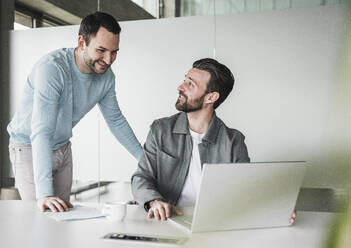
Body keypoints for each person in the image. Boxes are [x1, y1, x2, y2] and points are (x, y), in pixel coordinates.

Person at [7, 12, 143, 212]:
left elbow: (116, 121)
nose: (108, 59)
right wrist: (44, 194)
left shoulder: (106, 77)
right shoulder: (53, 69)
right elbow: (42, 131)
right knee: (39, 217)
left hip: (63, 148)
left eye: (114, 52)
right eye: (101, 50)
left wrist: (145, 160)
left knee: (63, 218)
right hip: (29, 147)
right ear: (82, 42)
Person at [131, 58, 251, 220]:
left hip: (214, 222)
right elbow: (142, 177)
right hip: (167, 221)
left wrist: (274, 212)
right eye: (184, 80)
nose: (180, 87)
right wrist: (154, 201)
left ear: (211, 97)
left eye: (190, 84)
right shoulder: (160, 130)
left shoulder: (233, 141)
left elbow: (246, 191)